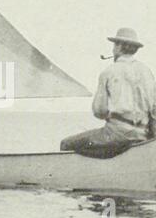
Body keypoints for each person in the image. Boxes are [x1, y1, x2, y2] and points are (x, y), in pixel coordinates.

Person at [60, 28, 156, 157]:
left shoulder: (108, 72)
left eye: (114, 45)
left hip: (117, 135)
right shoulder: (147, 72)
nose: (112, 49)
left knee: (66, 144)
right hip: (143, 135)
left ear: (119, 46)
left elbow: (99, 111)